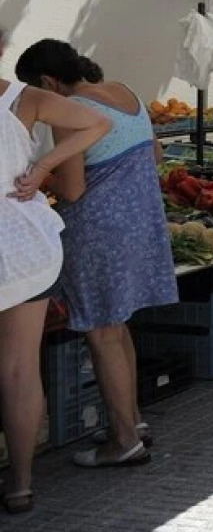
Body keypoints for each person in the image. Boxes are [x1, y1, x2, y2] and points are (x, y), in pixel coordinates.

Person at [13, 39, 174, 470]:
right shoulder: (126, 92)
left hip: (98, 230)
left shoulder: (72, 113)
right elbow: (156, 152)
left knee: (102, 333)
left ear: (47, 82)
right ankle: (133, 422)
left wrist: (32, 176)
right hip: (141, 223)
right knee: (117, 328)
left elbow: (72, 189)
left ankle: (123, 441)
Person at [2, 44, 113, 508]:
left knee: (17, 368)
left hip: (19, 248)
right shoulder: (23, 99)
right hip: (24, 246)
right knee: (19, 368)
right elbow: (96, 122)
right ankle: (22, 484)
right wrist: (43, 163)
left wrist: (45, 164)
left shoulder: (25, 98)